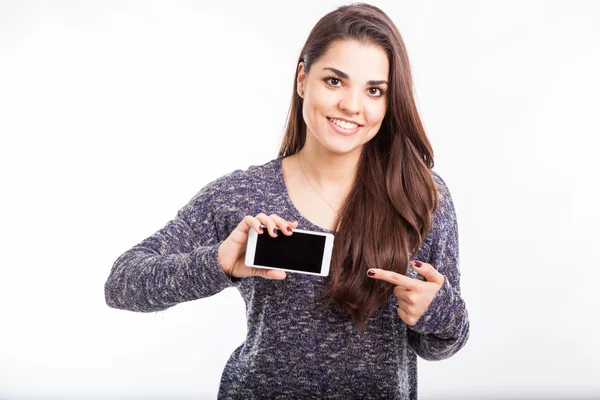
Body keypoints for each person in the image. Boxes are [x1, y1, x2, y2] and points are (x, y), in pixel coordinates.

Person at [104, 3, 470, 399]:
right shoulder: (241, 194)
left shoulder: (421, 195)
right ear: (302, 79)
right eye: (334, 81)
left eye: (374, 90)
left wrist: (437, 309)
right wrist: (218, 264)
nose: (352, 105)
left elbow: (442, 344)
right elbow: (122, 283)